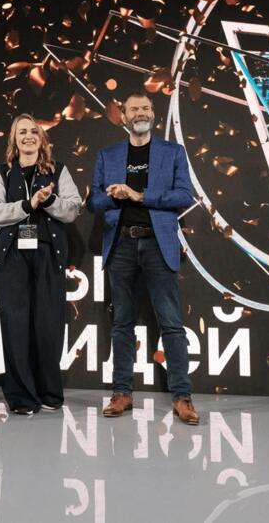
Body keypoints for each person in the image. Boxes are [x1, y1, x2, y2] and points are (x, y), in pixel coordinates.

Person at [87, 91, 200, 424]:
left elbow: (185, 195)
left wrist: (139, 195)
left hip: (158, 244)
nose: (141, 112)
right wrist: (115, 196)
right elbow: (93, 202)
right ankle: (122, 393)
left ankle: (182, 396)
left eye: (146, 108)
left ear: (154, 114)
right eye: (134, 108)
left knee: (171, 324)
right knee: (122, 322)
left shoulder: (173, 152)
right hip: (121, 244)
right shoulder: (107, 155)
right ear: (123, 116)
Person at [0, 114, 82, 415]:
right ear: (14, 140)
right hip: (11, 256)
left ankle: (49, 392)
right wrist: (28, 205)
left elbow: (73, 208)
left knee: (48, 324)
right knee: (14, 326)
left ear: (41, 138)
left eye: (33, 131)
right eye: (21, 132)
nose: (28, 136)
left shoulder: (58, 170)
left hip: (47, 254)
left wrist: (48, 201)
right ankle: (21, 397)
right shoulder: (1, 172)